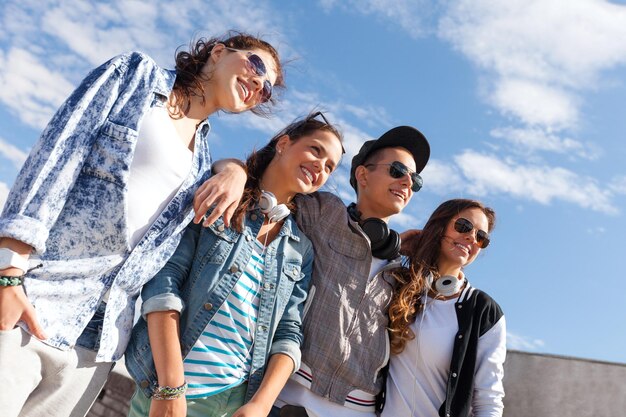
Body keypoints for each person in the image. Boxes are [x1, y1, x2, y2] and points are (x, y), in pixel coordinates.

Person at [0, 31, 284, 417]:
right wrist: (9, 271)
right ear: (218, 52)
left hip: (99, 343)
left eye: (266, 89)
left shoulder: (202, 162)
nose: (258, 84)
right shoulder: (136, 76)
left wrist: (233, 170)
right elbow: (57, 153)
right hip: (34, 297)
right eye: (255, 66)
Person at [124, 112, 344, 417]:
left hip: (237, 402)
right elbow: (164, 281)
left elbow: (289, 332)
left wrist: (260, 404)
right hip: (172, 389)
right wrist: (171, 386)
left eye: (330, 166)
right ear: (283, 144)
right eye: (316, 150)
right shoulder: (221, 196)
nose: (321, 166)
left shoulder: (300, 249)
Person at [268, 126, 430, 417]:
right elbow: (268, 188)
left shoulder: (402, 270)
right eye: (397, 170)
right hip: (284, 399)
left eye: (415, 180)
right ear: (363, 175)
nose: (407, 181)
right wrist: (232, 170)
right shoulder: (323, 213)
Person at [383, 199, 506, 417]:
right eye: (464, 226)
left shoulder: (484, 311)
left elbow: (489, 399)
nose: (471, 238)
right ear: (440, 226)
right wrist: (395, 247)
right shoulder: (395, 283)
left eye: (481, 237)